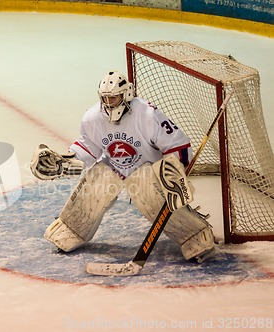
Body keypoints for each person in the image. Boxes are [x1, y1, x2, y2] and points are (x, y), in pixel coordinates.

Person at [30, 71, 216, 262]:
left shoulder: (147, 114)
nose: (109, 102)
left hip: (149, 170)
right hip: (116, 168)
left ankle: (195, 235)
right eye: (105, 98)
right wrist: (65, 161)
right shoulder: (92, 117)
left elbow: (178, 145)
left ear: (126, 94)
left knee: (145, 190)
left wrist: (173, 174)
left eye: (114, 97)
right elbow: (87, 146)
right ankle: (71, 229)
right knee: (96, 178)